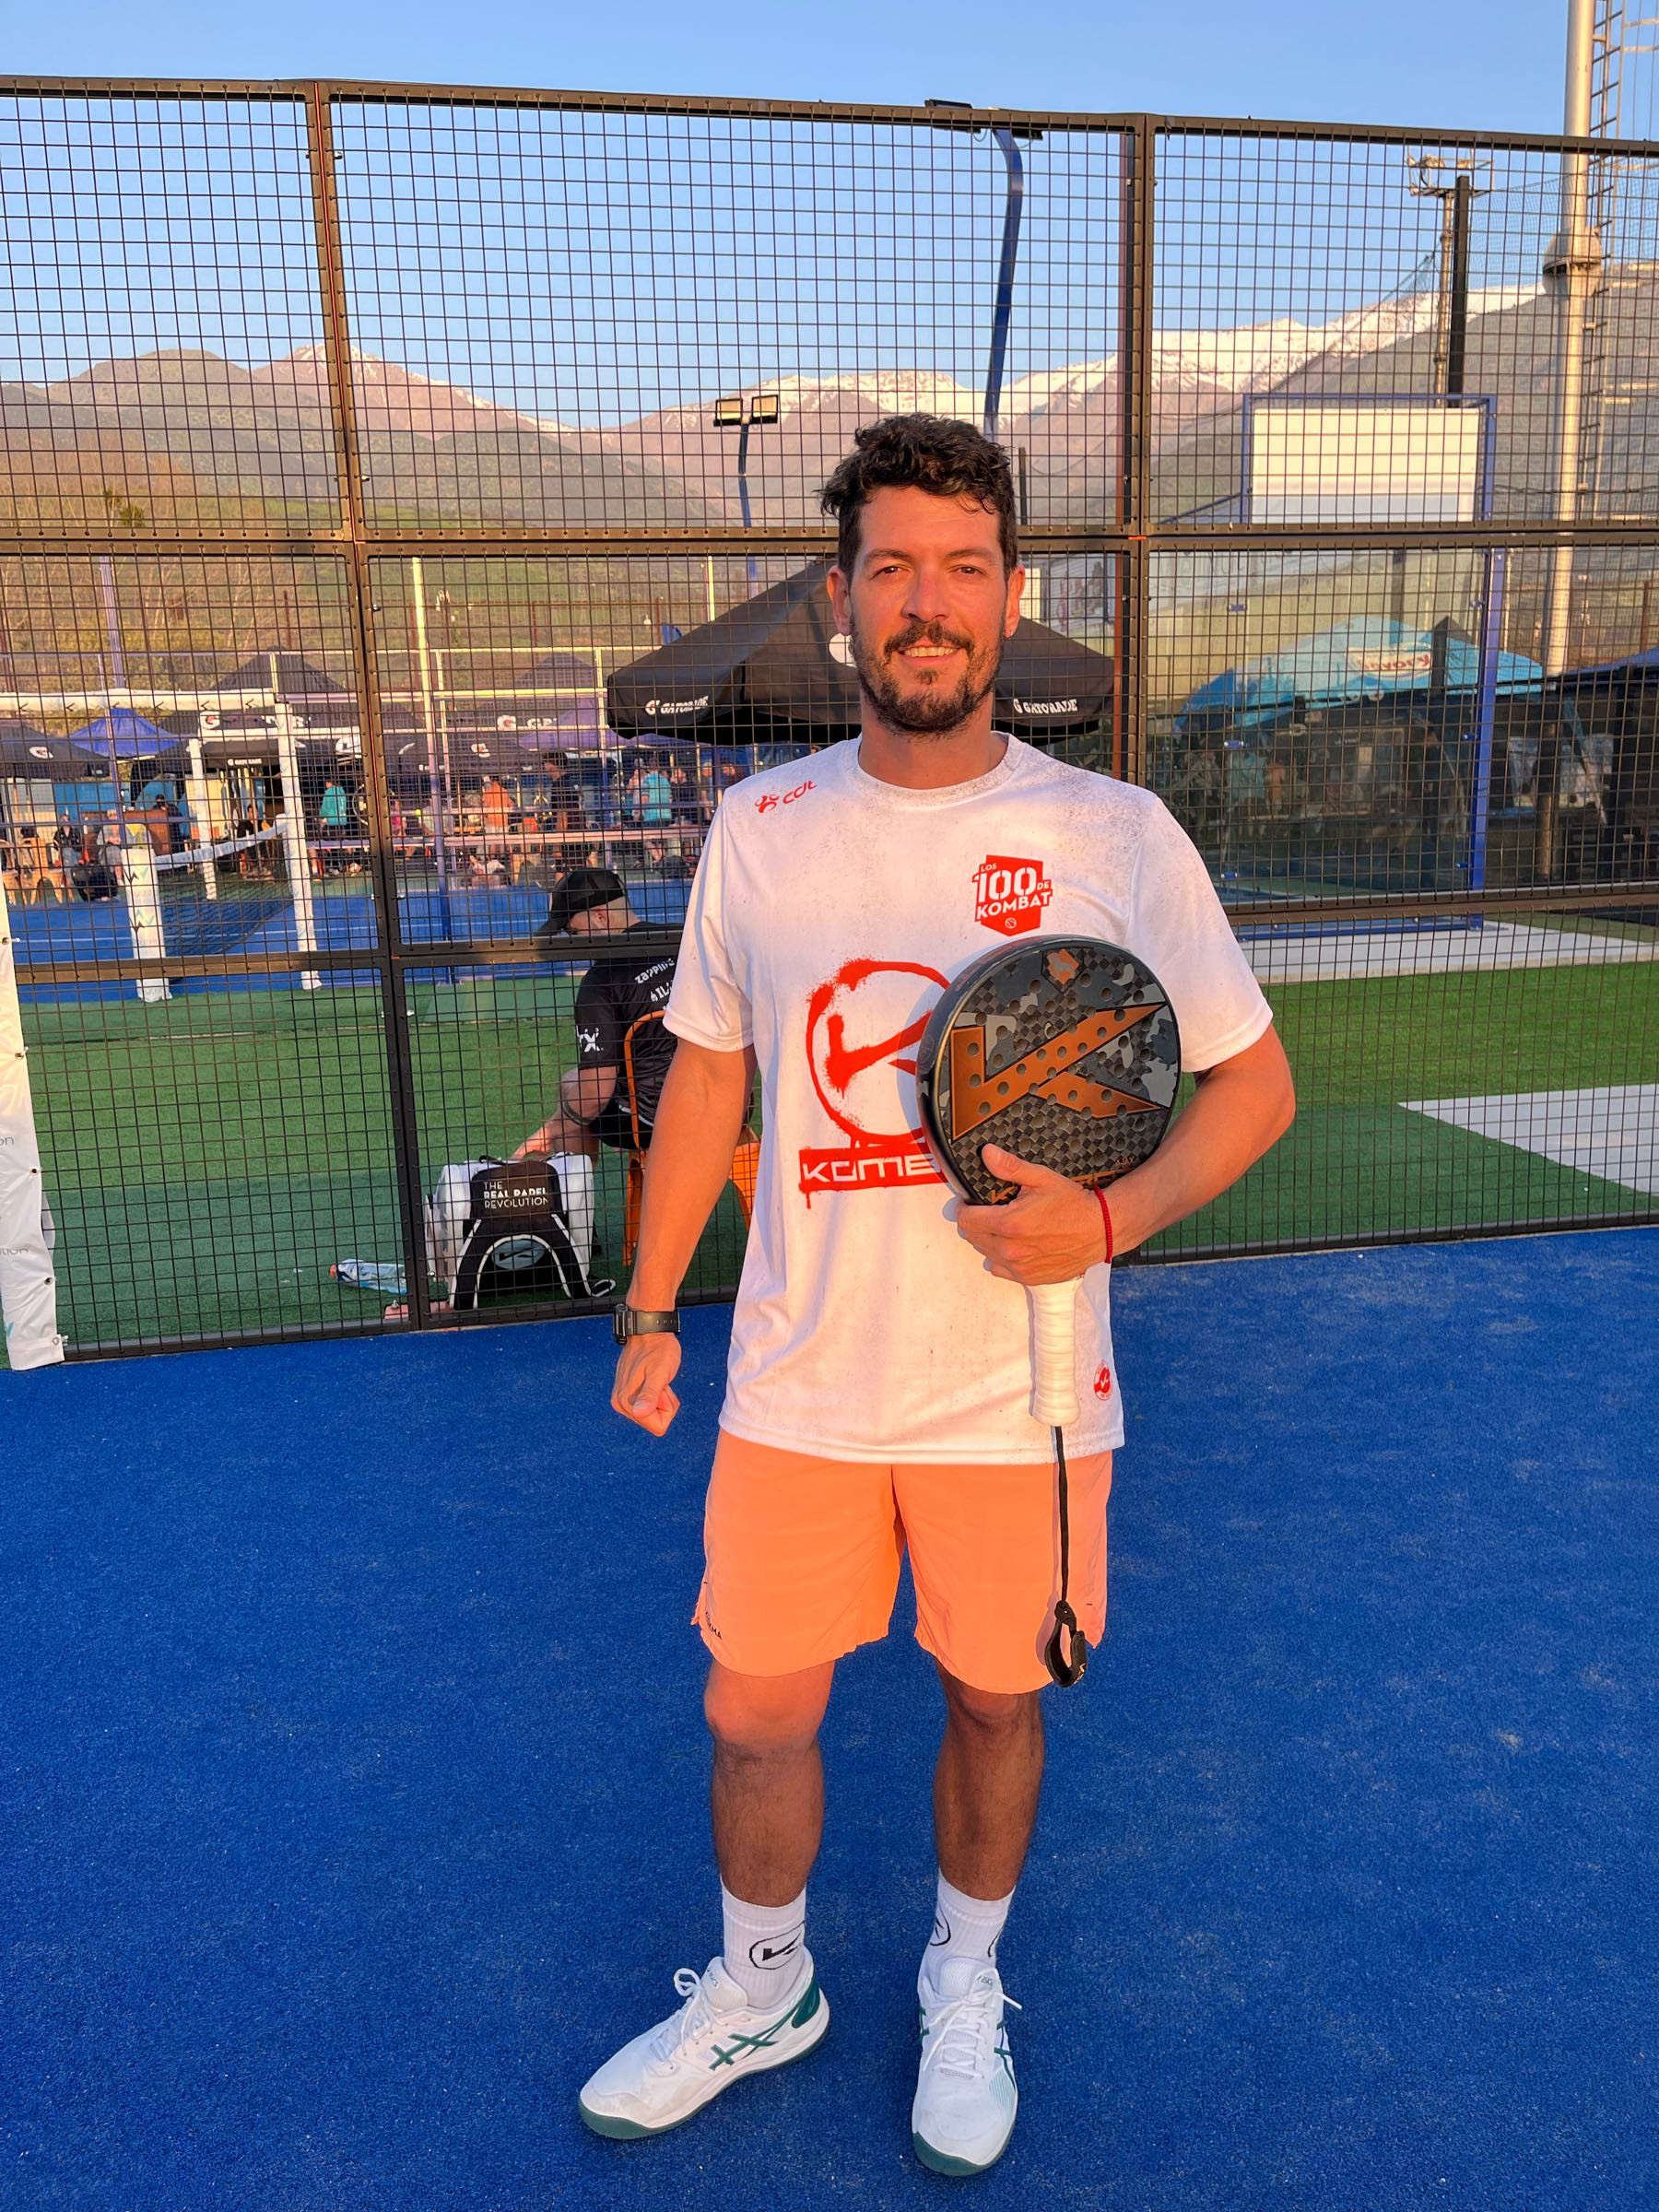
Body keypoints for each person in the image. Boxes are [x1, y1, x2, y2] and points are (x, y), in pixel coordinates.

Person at [583, 416, 1296, 2172]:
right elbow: (709, 1077)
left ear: (1008, 594)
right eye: (892, 567)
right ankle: (765, 1987)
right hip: (798, 1381)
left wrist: (1110, 1221)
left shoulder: (1113, 829)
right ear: (844, 599)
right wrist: (652, 1309)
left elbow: (1256, 1086)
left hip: (1019, 1394)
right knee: (753, 1710)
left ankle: (963, 1983)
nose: (927, 602)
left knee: (996, 1699)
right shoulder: (760, 829)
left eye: (962, 568)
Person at [518, 865, 677, 1163]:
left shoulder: (599, 982)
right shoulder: (684, 939)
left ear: (600, 917)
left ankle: (575, 1192)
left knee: (574, 1085)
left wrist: (552, 1128)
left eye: (574, 931)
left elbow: (594, 1095)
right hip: (732, 1104)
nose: (572, 940)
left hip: (654, 1121)